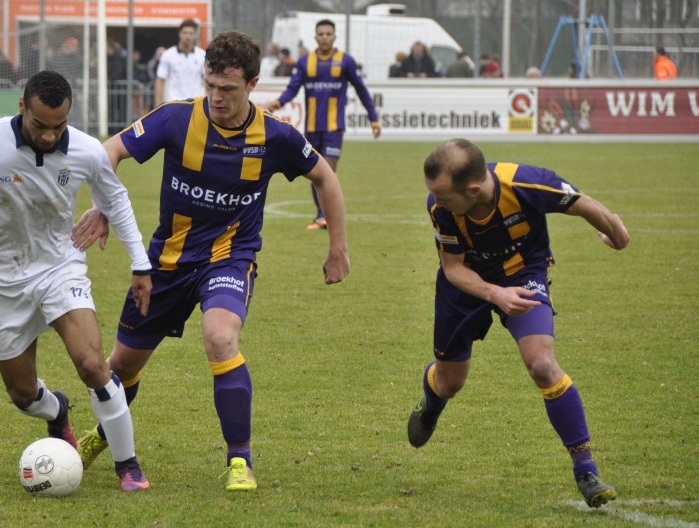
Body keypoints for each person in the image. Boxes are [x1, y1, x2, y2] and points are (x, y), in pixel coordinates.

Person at [70, 30, 350, 492]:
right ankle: (105, 434)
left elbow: (325, 177)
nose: (217, 97)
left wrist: (337, 247)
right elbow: (110, 150)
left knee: (220, 338)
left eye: (229, 89)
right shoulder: (176, 119)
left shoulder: (274, 136)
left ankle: (239, 461)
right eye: (211, 86)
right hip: (165, 262)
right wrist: (101, 206)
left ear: (253, 84)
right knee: (120, 368)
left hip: (229, 259)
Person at [0, 70, 152, 492]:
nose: (51, 136)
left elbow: (117, 200)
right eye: (41, 126)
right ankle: (57, 411)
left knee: (93, 365)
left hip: (60, 268)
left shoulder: (87, 150)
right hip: (3, 280)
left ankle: (127, 465)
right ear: (22, 108)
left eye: (60, 126)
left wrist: (140, 264)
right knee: (21, 394)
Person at [407, 138, 629, 508]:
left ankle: (585, 471)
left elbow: (583, 204)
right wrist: (496, 294)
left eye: (444, 197)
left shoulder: (526, 184)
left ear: (473, 189)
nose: (436, 202)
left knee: (541, 364)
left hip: (523, 273)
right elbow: (453, 268)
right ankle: (432, 399)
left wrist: (619, 237)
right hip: (467, 284)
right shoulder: (441, 206)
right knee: (451, 382)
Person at [264, 19, 380, 230]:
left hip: (334, 127)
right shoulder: (304, 63)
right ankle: (321, 216)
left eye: (329, 34)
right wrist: (278, 102)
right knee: (314, 171)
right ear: (316, 37)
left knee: (328, 168)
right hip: (312, 127)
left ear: (334, 37)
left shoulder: (345, 62)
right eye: (321, 34)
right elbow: (293, 88)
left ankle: (324, 215)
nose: (325, 37)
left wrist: (373, 118)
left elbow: (361, 90)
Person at [154, 18, 206, 107]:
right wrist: (157, 105)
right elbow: (160, 80)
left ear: (195, 35)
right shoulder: (168, 55)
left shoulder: (202, 55)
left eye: (191, 33)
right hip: (173, 104)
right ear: (179, 34)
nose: (188, 36)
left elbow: (207, 80)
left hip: (195, 105)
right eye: (185, 33)